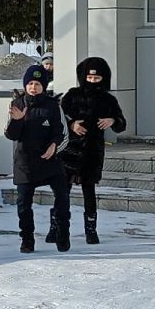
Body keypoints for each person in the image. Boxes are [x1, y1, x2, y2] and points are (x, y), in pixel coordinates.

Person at [59, 56, 126, 245]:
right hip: (70, 151)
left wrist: (112, 121)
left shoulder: (108, 99)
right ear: (83, 77)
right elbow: (59, 117)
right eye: (90, 78)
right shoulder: (72, 95)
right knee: (63, 190)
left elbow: (121, 124)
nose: (93, 82)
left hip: (92, 151)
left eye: (97, 79)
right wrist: (72, 124)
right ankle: (57, 226)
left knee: (89, 191)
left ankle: (91, 229)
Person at [6, 63, 70, 252]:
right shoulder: (16, 105)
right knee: (23, 205)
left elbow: (62, 133)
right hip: (25, 163)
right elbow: (11, 135)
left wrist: (54, 146)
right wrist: (17, 121)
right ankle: (27, 239)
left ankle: (62, 234)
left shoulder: (53, 106)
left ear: (44, 86)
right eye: (30, 83)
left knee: (62, 197)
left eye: (38, 84)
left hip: (50, 160)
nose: (33, 87)